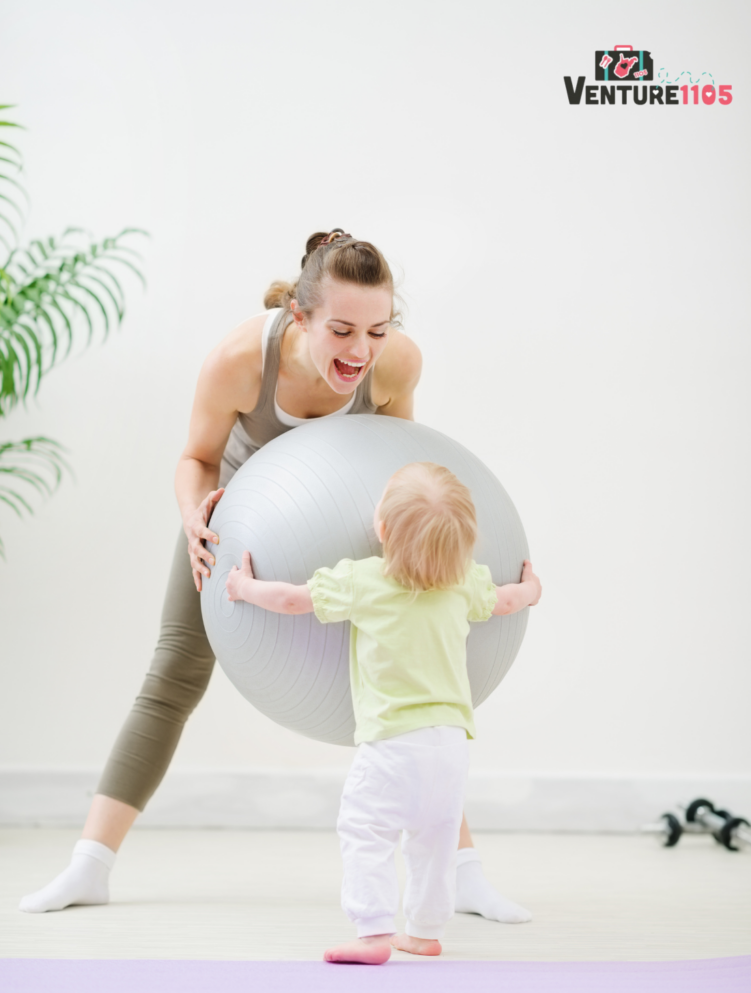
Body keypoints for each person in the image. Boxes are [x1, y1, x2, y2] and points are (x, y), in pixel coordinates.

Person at [20, 230, 531, 926]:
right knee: (173, 671)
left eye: (377, 331)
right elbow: (195, 458)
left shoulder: (395, 363)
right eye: (342, 330)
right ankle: (89, 865)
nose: (359, 351)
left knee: (407, 679)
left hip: (345, 515)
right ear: (299, 315)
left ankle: (461, 875)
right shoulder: (239, 361)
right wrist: (193, 520)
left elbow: (397, 463)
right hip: (237, 515)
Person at [226, 462, 542, 964]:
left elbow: (290, 600)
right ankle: (423, 931)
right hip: (451, 743)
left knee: (365, 829)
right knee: (434, 839)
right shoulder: (464, 582)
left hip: (393, 741)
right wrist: (533, 590)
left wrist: (242, 588)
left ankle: (372, 933)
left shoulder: (364, 579)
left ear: (383, 529)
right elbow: (507, 602)